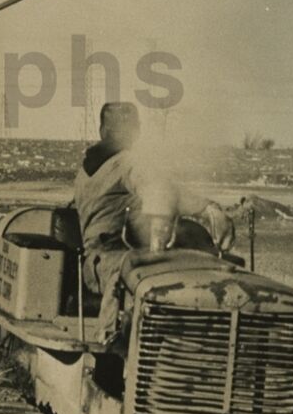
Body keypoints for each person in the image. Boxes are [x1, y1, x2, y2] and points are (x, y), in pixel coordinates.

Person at [73, 101, 230, 301]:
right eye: (135, 127)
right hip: (115, 264)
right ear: (135, 132)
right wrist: (209, 209)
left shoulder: (85, 171)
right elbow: (161, 190)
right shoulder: (127, 162)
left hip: (94, 265)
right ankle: (109, 333)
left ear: (103, 130)